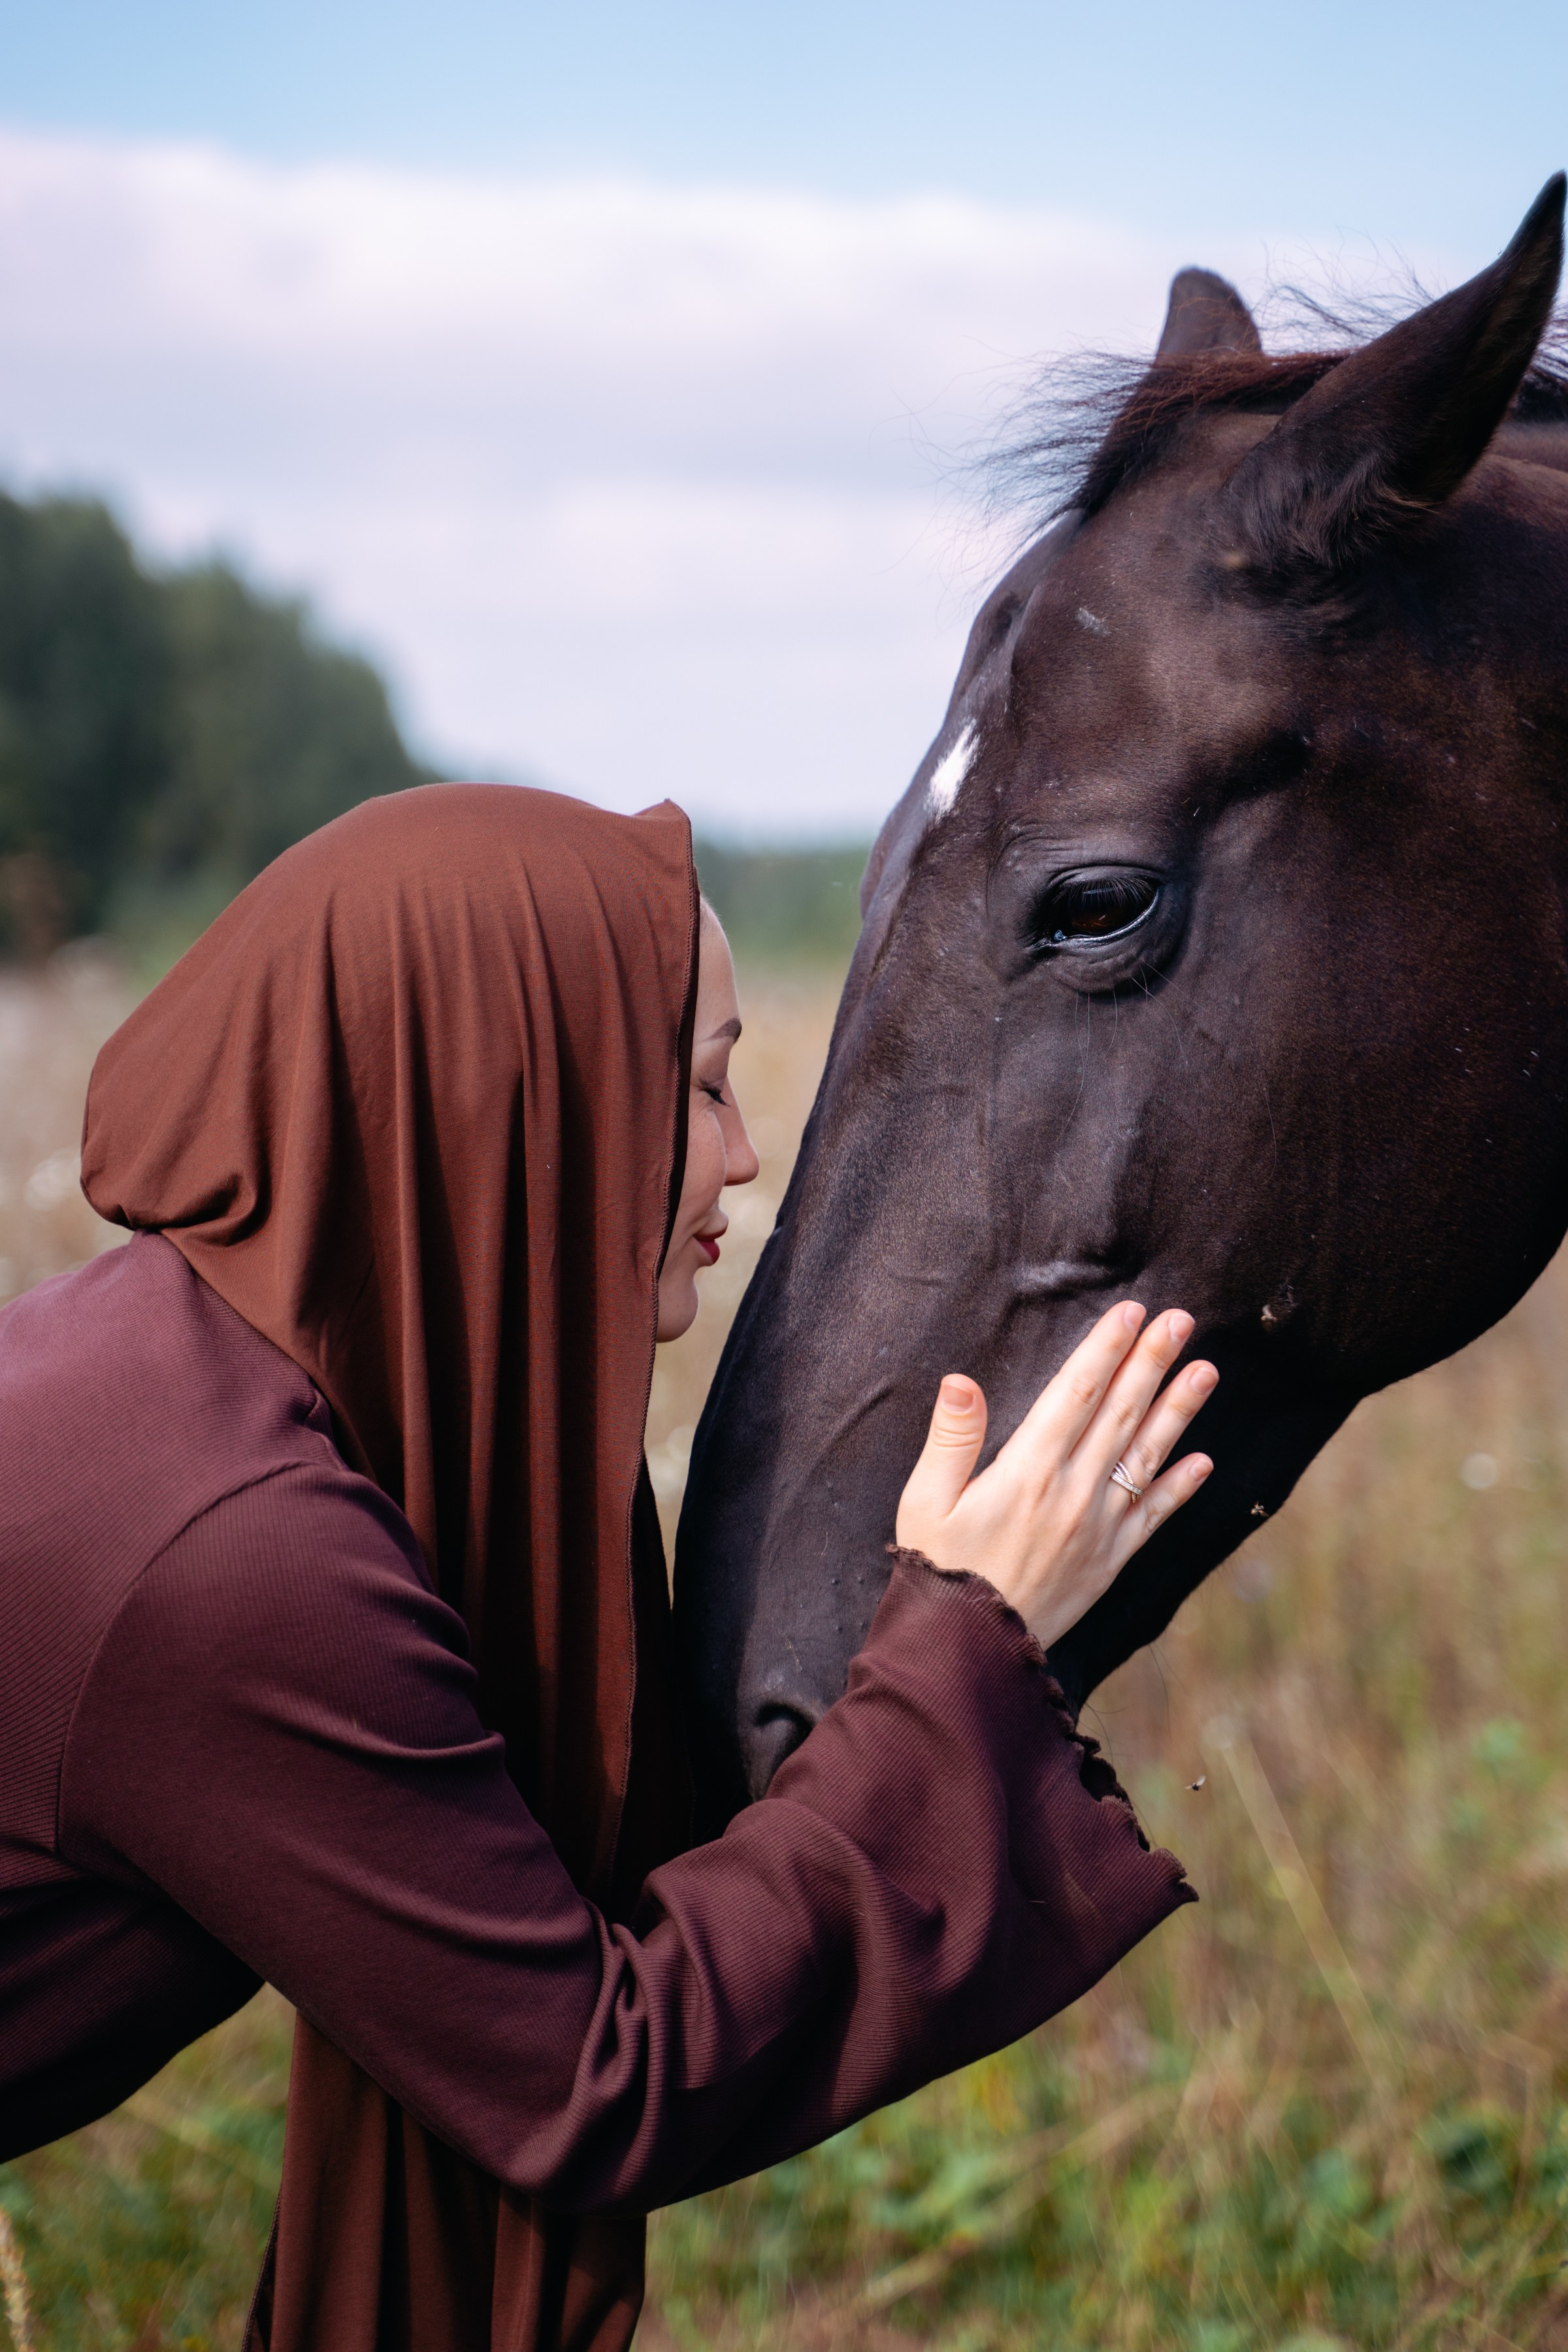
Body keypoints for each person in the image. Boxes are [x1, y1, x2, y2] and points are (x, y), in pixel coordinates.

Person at [0, 784, 1217, 2352]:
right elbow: (589, 2073)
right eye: (702, 1091)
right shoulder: (231, 1557)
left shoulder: (188, 1370)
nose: (741, 1156)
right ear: (516, 1098)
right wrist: (967, 1648)